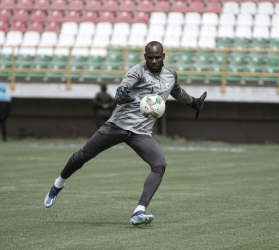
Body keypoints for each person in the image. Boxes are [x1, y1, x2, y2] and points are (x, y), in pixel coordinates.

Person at [44, 41, 207, 226]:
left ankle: (139, 211)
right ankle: (59, 183)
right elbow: (126, 84)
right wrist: (122, 91)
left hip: (142, 133)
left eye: (158, 57)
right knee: (83, 156)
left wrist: (193, 102)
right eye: (150, 57)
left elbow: (177, 92)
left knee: (159, 164)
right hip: (117, 126)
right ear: (145, 57)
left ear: (163, 56)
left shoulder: (171, 74)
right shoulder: (137, 71)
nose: (154, 60)